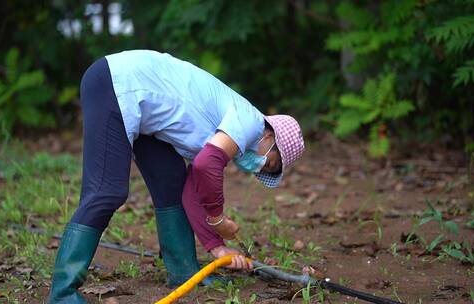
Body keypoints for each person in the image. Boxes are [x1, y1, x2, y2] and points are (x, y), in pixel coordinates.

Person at [48, 50, 305, 303]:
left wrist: (216, 246)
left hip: (144, 109)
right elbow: (207, 165)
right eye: (269, 162)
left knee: (172, 181)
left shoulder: (228, 133)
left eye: (266, 171)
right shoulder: (249, 122)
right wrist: (217, 219)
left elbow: (193, 191)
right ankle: (62, 294)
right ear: (270, 136)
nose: (259, 168)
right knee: (107, 191)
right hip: (116, 83)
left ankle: (183, 273)